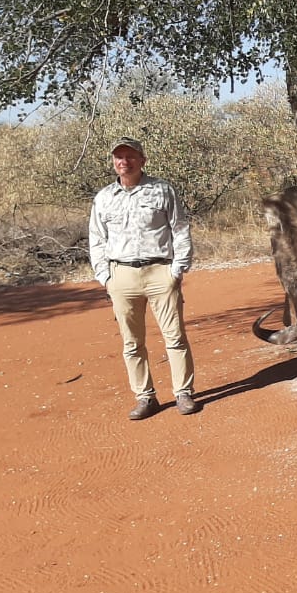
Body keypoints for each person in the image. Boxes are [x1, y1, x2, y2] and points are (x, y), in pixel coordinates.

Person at [89, 137, 199, 420]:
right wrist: (105, 276)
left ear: (142, 160)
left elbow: (180, 228)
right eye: (118, 157)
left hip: (160, 271)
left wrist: (177, 269)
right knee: (131, 342)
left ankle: (183, 393)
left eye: (130, 156)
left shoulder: (162, 190)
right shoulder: (103, 198)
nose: (124, 162)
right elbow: (97, 239)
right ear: (113, 161)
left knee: (174, 336)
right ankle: (145, 397)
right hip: (121, 275)